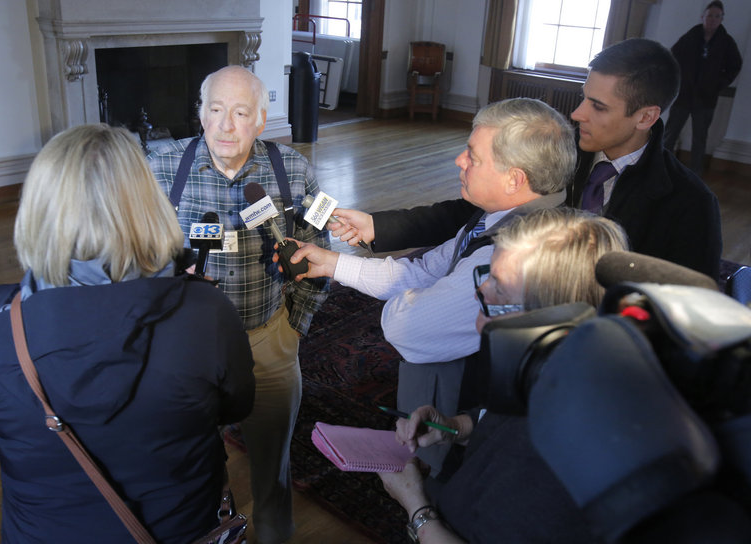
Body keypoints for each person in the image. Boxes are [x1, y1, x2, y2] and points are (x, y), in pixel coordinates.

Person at [0, 124, 256, 543]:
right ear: (146, 203)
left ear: (38, 207)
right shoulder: (205, 314)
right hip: (181, 529)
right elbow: (236, 406)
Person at [279, 97, 577, 472]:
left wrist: (419, 299)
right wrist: (334, 265)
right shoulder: (496, 220)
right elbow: (422, 271)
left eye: (473, 155)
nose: (459, 161)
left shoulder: (512, 254)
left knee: (441, 489)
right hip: (452, 405)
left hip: (465, 420)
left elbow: (407, 327)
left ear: (514, 178)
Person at [330, 39, 723, 281]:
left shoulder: (688, 204)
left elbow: (683, 313)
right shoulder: (561, 149)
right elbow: (472, 211)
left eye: (597, 106)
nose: (577, 114)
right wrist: (377, 224)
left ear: (646, 116)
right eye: (584, 96)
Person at [147, 65, 330, 543]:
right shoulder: (159, 169)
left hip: (269, 340)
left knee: (273, 468)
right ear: (201, 114)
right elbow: (129, 255)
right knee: (193, 470)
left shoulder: (292, 170)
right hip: (187, 353)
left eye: (241, 112)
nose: (226, 125)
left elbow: (319, 249)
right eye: (215, 110)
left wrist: (296, 326)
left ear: (261, 121)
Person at [377, 207, 630, 544]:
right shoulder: (563, 368)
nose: (481, 291)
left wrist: (416, 507)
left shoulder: (549, 454)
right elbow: (507, 417)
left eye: (500, 286)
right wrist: (455, 427)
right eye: (487, 273)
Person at [664, 1, 742, 176]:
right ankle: (661, 167)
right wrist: (677, 81)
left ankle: (695, 175)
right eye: (709, 16)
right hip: (683, 95)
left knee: (699, 139)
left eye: (717, 16)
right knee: (670, 134)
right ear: (703, 17)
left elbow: (735, 66)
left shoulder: (726, 42)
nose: (712, 20)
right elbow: (672, 56)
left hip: (706, 99)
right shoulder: (691, 36)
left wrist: (718, 84)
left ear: (722, 19)